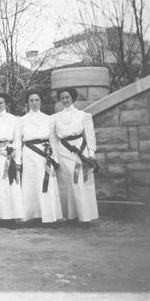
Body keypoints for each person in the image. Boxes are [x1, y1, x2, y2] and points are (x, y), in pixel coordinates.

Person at [53, 87, 99, 227]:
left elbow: (90, 136)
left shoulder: (83, 115)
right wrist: (55, 157)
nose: (65, 100)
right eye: (62, 98)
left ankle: (85, 217)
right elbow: (54, 139)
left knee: (81, 182)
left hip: (80, 150)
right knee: (66, 184)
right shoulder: (55, 118)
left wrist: (91, 154)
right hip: (64, 151)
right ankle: (71, 215)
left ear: (72, 98)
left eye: (67, 97)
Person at [16, 88, 62, 226]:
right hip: (29, 154)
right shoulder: (21, 120)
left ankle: (48, 216)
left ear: (41, 101)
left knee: (46, 183)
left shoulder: (49, 119)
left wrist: (55, 158)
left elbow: (53, 139)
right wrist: (18, 159)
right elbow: (18, 140)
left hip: (45, 154)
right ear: (27, 102)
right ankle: (33, 215)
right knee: (31, 183)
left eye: (37, 100)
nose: (34, 103)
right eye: (31, 100)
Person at [0, 92, 24, 228]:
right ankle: (2, 217)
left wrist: (17, 158)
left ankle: (12, 217)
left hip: (10, 154)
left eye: (1, 103)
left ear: (5, 103)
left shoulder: (14, 119)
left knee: (11, 185)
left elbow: (17, 140)